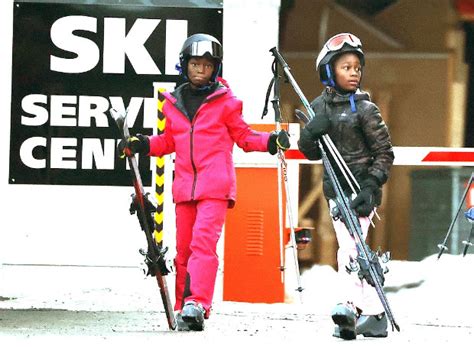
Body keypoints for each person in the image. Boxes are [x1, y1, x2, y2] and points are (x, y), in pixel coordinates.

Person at [119, 33, 290, 331]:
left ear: (216, 69)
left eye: (207, 66)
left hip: (215, 186)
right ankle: (182, 305)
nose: (201, 70)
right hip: (185, 187)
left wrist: (272, 141)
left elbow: (245, 137)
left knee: (202, 244)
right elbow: (169, 141)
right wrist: (144, 144)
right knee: (183, 248)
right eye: (195, 64)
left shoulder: (227, 103)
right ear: (184, 66)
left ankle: (198, 302)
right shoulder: (173, 103)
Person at [297, 33, 394, 340]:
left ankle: (349, 308)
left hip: (361, 191)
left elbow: (385, 153)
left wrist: (370, 186)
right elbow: (310, 151)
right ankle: (375, 315)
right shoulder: (318, 106)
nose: (354, 73)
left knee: (350, 250)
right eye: (346, 67)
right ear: (329, 71)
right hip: (335, 191)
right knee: (354, 250)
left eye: (357, 67)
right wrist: (310, 133)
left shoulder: (366, 109)